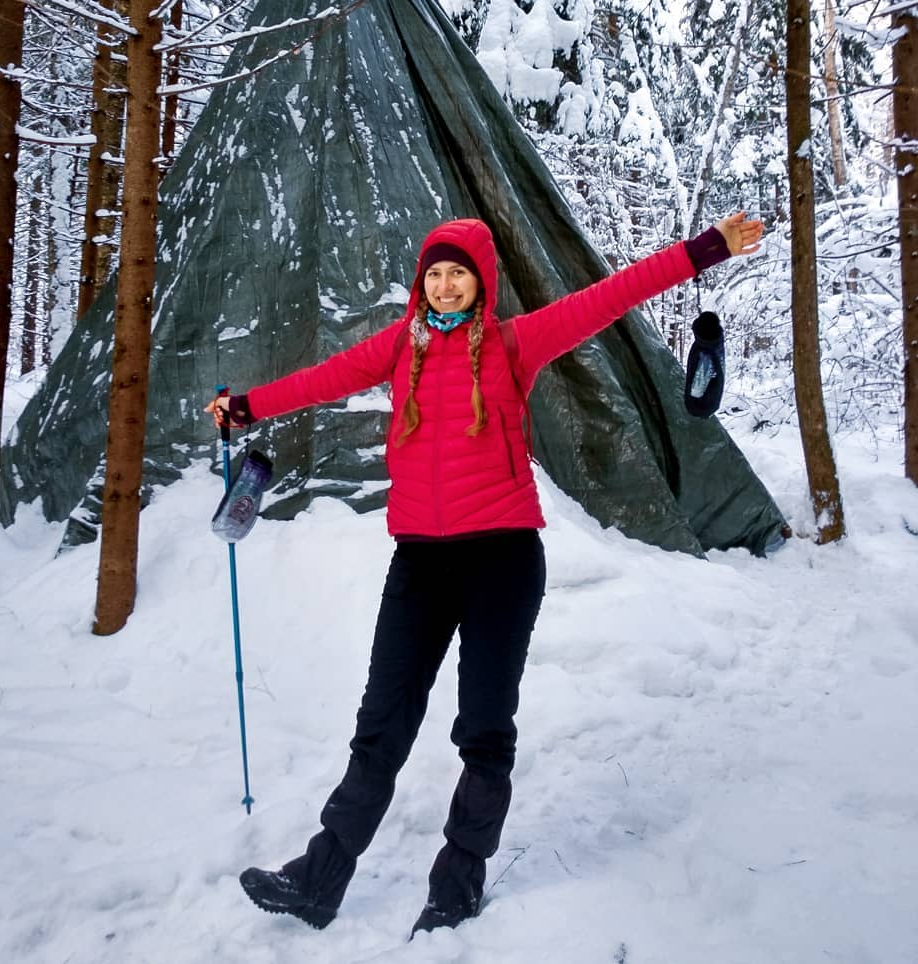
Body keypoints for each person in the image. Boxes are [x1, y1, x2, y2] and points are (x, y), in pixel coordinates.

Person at [206, 211, 763, 937]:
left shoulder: (511, 344)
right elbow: (323, 378)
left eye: (456, 273)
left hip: (501, 558)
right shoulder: (397, 350)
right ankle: (321, 877)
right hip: (419, 563)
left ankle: (458, 882)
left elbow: (611, 295)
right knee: (380, 724)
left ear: (480, 282)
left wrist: (708, 248)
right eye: (433, 274)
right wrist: (245, 406)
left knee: (484, 728)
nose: (443, 285)